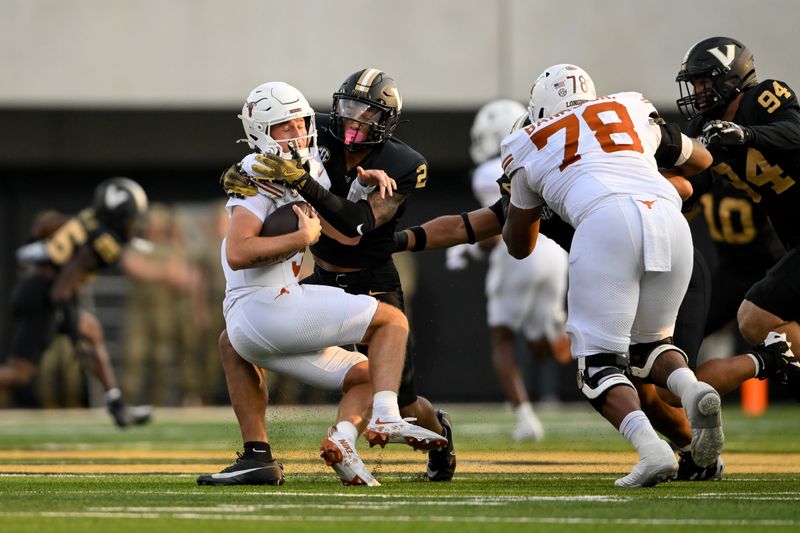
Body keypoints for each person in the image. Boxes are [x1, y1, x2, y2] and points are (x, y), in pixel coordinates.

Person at [197, 81, 446, 488]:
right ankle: (387, 414)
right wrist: (302, 239)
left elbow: (348, 232)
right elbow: (238, 252)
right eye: (284, 127)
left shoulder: (308, 166)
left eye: (301, 123)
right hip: (270, 306)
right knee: (393, 323)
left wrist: (362, 188)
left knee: (368, 372)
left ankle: (272, 454)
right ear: (261, 131)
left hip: (253, 322)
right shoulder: (258, 171)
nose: (298, 133)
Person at [501, 63, 724, 488]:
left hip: (605, 221)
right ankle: (692, 389)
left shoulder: (526, 139)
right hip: (668, 217)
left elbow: (519, 244)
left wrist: (529, 198)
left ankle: (652, 450)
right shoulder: (630, 107)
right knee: (651, 347)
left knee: (597, 367)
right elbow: (703, 159)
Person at [674, 36, 800, 398]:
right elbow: (689, 186)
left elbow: (796, 132)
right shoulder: (703, 128)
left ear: (731, 78)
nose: (697, 91)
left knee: (755, 317)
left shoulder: (765, 97)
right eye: (694, 83)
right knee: (758, 321)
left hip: (785, 247)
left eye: (704, 80)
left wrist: (745, 134)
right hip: (793, 245)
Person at [447, 99, 570, 441]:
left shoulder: (490, 172)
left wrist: (465, 246)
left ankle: (525, 418)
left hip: (520, 254)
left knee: (502, 338)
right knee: (544, 343)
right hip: (556, 253)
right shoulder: (546, 157)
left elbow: (498, 231)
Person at [1, 177, 153, 428]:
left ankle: (116, 405)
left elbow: (45, 225)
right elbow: (60, 292)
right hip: (44, 295)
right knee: (19, 373)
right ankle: (116, 406)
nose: (133, 224)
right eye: (130, 218)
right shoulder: (106, 244)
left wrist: (39, 249)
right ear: (119, 216)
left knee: (92, 332)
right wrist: (72, 332)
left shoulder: (89, 220)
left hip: (39, 288)